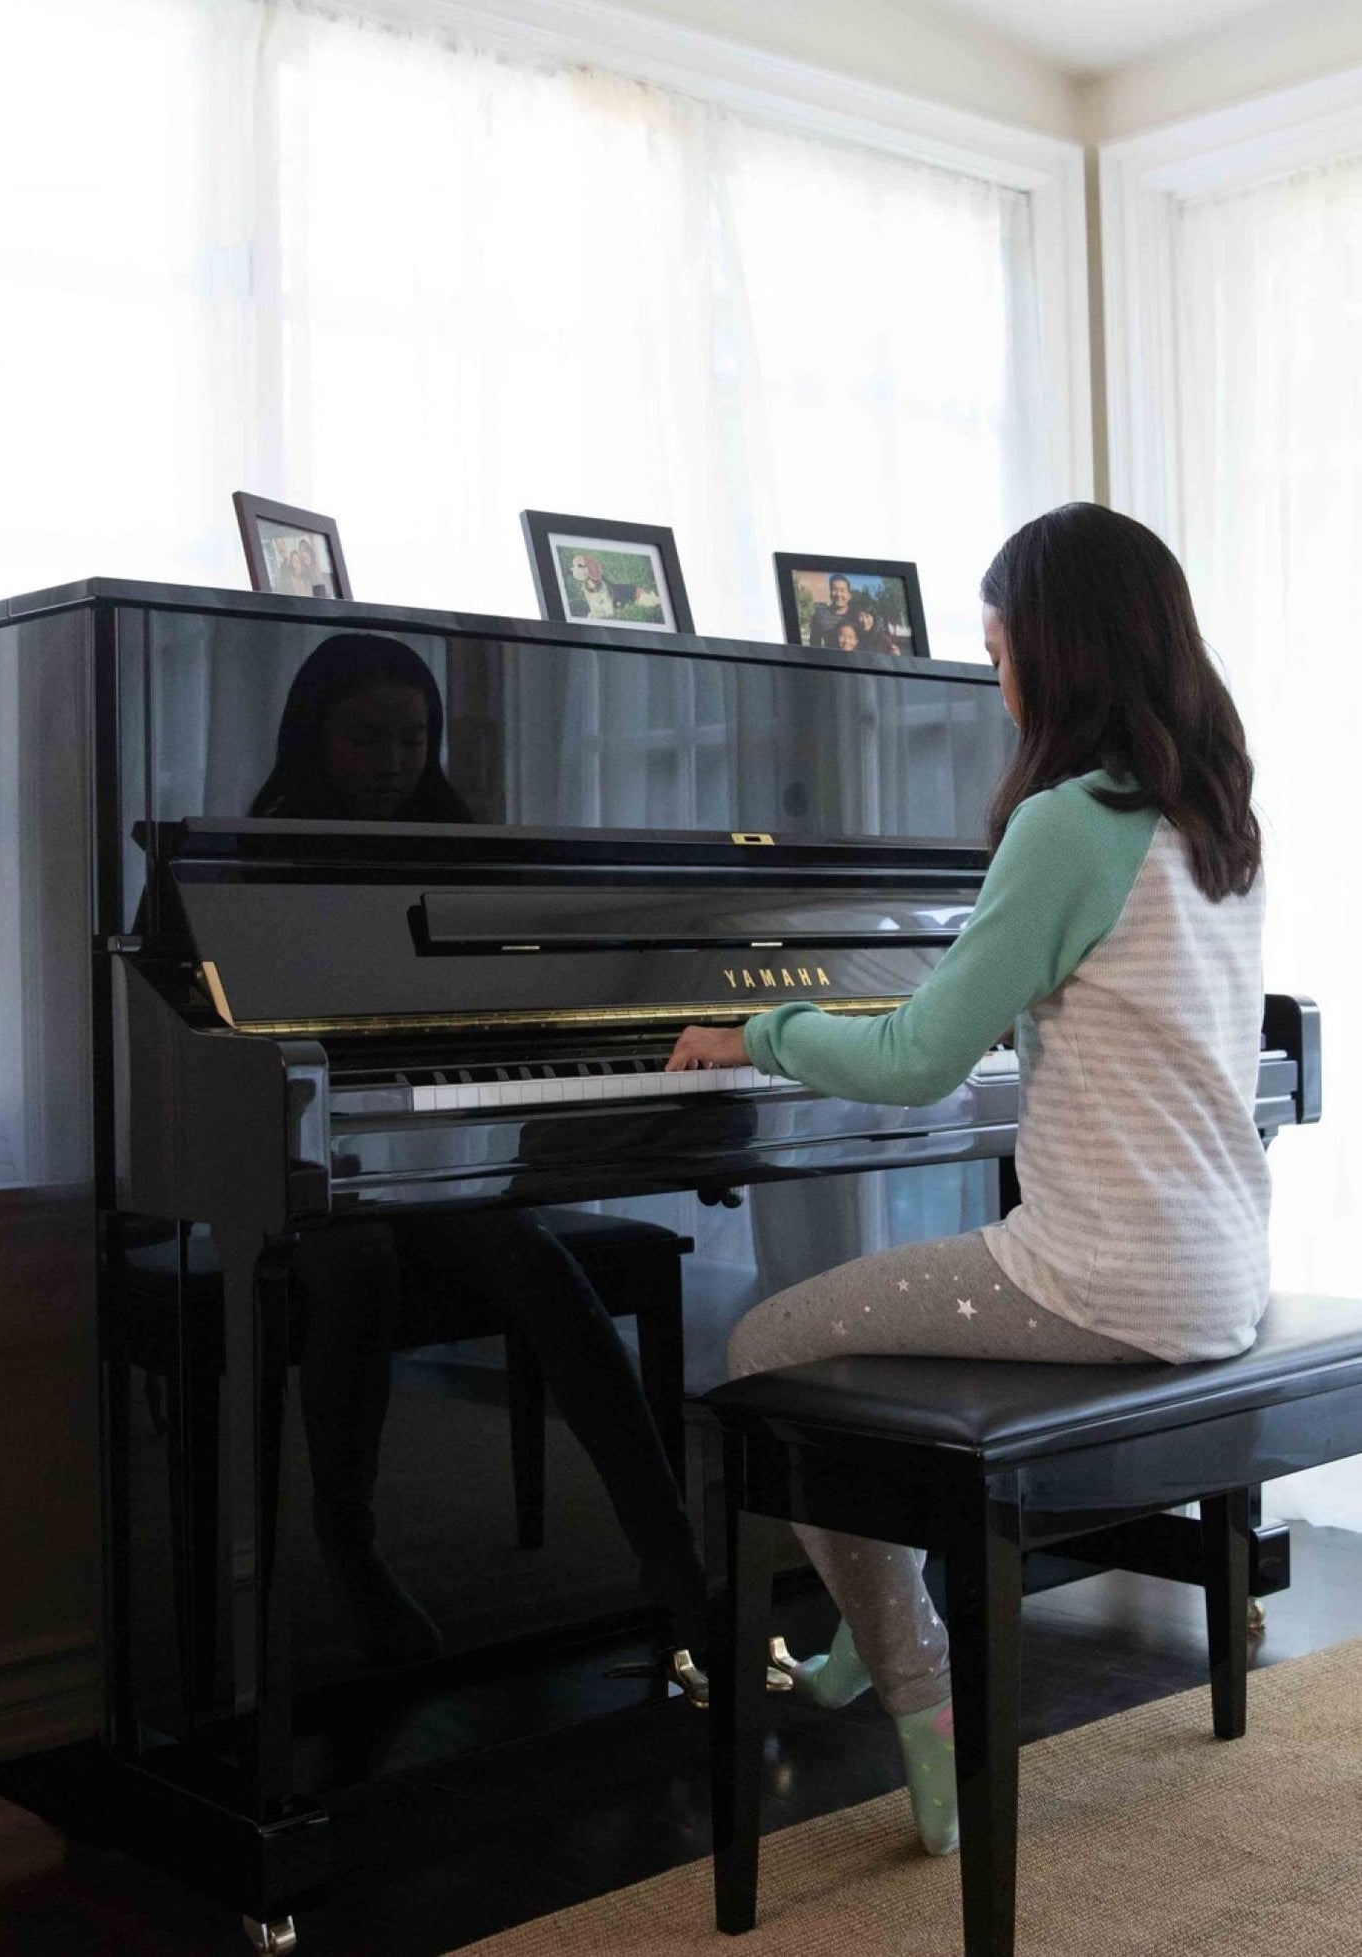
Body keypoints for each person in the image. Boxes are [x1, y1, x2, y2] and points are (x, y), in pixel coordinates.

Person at [665, 502, 1268, 1854]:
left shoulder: (1065, 824)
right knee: (873, 1360)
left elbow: (924, 1060)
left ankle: (917, 1690)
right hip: (1214, 1271)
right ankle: (857, 1636)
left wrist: (754, 1030)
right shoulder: (1214, 820)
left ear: (1054, 656)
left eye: (997, 650)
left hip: (1103, 1284)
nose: (991, 681)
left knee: (768, 1343)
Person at [259, 634, 708, 1677]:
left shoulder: (449, 839)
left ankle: (672, 1560)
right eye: (366, 739)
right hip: (297, 1163)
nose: (390, 762)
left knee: (538, 1264)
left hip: (419, 1163)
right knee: (358, 1266)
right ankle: (349, 1543)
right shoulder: (258, 851)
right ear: (315, 735)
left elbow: (520, 1012)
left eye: (412, 739)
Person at [807, 573, 854, 648]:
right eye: (834, 589)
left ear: (849, 595)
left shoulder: (855, 615)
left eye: (842, 590)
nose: (838, 594)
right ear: (830, 592)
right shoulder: (820, 615)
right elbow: (814, 644)